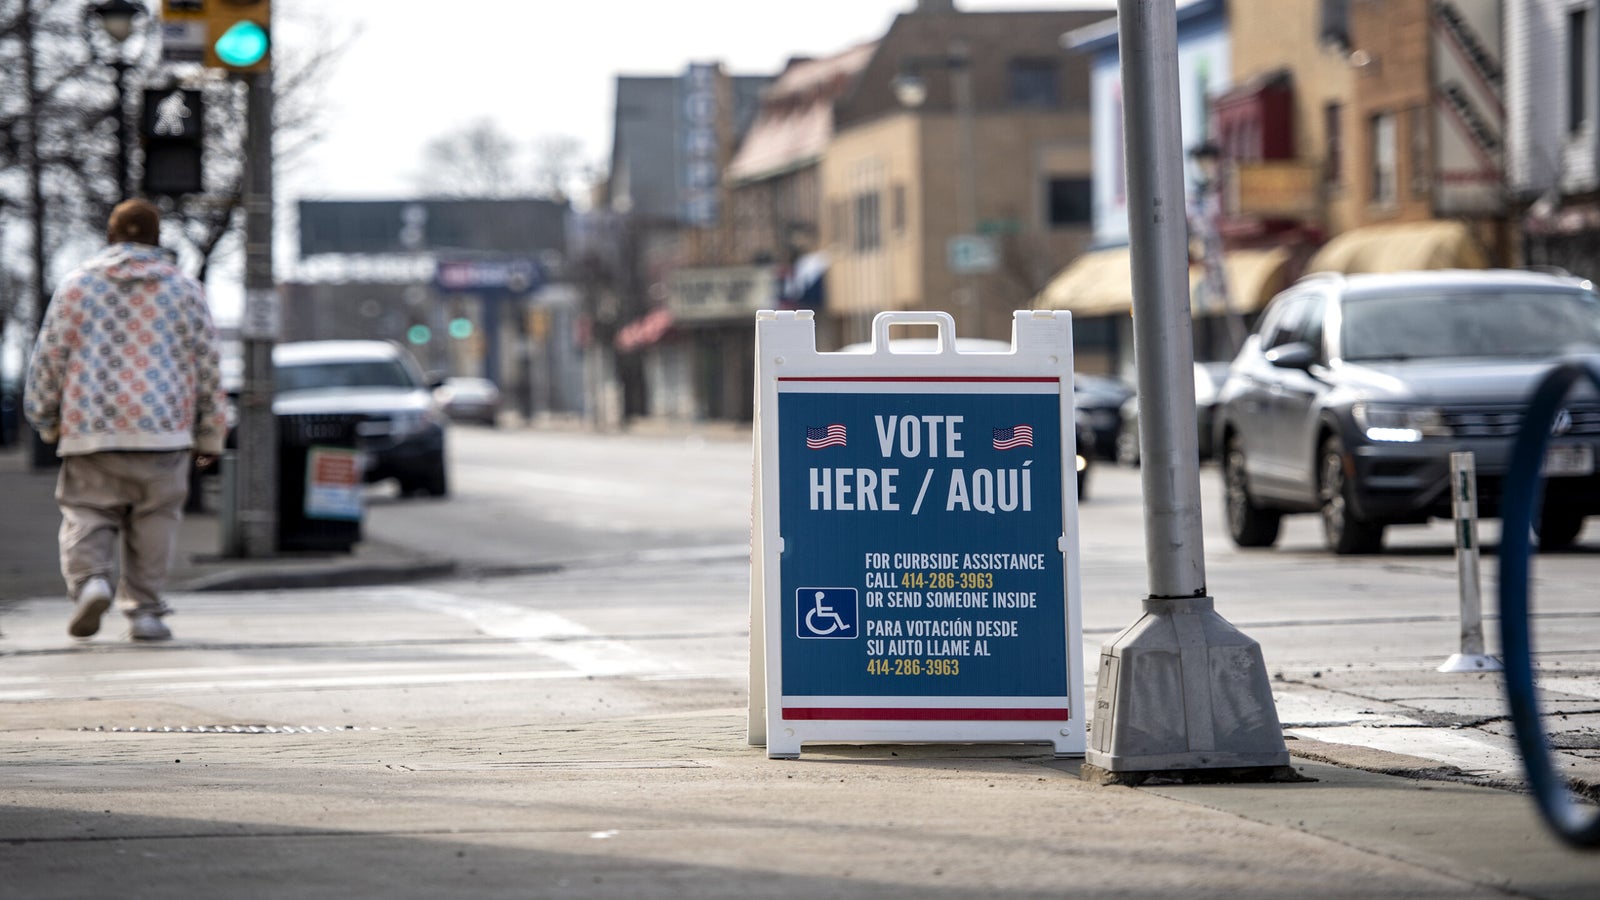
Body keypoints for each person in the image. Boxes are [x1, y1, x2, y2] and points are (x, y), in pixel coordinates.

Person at [23, 199, 226, 642]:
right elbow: (207, 363)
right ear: (157, 238)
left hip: (91, 427)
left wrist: (44, 418)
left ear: (111, 235)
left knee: (86, 513)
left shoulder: (77, 286)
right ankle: (145, 612)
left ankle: (92, 581)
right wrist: (211, 433)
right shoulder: (184, 289)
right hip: (164, 429)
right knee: (155, 521)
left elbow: (50, 357)